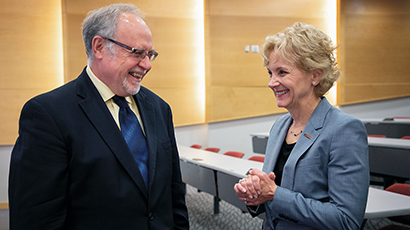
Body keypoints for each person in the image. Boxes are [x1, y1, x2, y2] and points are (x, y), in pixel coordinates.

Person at [9, 3, 189, 230]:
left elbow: (174, 196)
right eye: (137, 53)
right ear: (99, 47)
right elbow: (36, 219)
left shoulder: (159, 108)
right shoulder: (47, 115)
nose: (147, 64)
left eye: (150, 54)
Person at [234, 22, 369, 230]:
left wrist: (274, 194)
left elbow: (346, 220)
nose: (272, 82)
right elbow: (273, 198)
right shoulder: (280, 126)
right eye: (270, 73)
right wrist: (255, 194)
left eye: (282, 72)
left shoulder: (344, 130)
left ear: (315, 75)